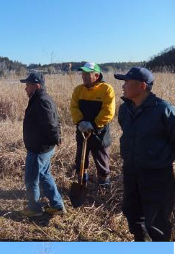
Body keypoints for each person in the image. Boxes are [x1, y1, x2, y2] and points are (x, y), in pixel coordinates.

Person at [114, 67, 175, 241]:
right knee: (132, 215)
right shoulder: (124, 109)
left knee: (157, 224)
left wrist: (159, 159)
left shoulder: (164, 110)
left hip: (157, 176)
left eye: (126, 82)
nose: (123, 86)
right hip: (131, 171)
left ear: (141, 86)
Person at [20, 72, 65, 217]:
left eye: (28, 85)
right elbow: (55, 121)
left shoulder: (42, 101)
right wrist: (56, 139)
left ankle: (34, 209)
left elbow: (51, 124)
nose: (25, 89)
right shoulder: (41, 98)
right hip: (42, 147)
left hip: (39, 148)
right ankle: (58, 206)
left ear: (36, 85)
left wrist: (55, 139)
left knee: (31, 179)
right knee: (45, 175)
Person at [70, 62, 115, 190]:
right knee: (81, 160)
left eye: (87, 74)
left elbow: (108, 111)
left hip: (99, 133)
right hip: (82, 131)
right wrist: (80, 123)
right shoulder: (78, 90)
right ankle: (82, 183)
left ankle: (104, 186)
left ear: (96, 75)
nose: (84, 76)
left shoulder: (106, 89)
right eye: (83, 74)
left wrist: (93, 124)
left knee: (102, 161)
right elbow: (73, 107)